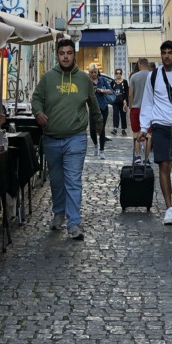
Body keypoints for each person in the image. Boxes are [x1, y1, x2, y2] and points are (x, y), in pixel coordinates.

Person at [31, 37, 100, 241]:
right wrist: (38, 112)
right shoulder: (48, 78)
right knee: (57, 180)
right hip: (51, 138)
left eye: (69, 53)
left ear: (74, 55)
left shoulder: (84, 79)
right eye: (62, 53)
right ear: (57, 55)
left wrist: (98, 122)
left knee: (73, 180)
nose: (66, 57)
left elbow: (93, 103)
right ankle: (59, 213)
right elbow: (36, 98)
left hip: (76, 137)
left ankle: (73, 223)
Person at [135, 41, 172, 226]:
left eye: (170, 52)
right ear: (161, 55)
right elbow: (148, 102)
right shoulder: (153, 76)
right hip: (161, 126)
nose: (167, 56)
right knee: (164, 166)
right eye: (164, 52)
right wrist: (144, 128)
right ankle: (169, 208)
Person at [87, 65, 113, 155]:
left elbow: (111, 91)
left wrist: (100, 90)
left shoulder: (102, 80)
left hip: (103, 107)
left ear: (97, 72)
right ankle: (95, 144)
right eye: (92, 72)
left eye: (95, 72)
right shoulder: (87, 82)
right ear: (89, 73)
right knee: (92, 130)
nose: (94, 74)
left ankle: (102, 150)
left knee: (101, 129)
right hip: (93, 108)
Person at [128, 58, 151, 144]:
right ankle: (147, 152)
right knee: (148, 134)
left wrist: (130, 105)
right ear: (147, 64)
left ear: (139, 64)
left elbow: (130, 94)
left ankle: (137, 152)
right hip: (149, 108)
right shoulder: (152, 75)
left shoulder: (134, 76)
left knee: (136, 132)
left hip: (136, 107)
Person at [110, 68, 129, 136]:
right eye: (117, 73)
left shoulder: (125, 82)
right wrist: (111, 100)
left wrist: (126, 102)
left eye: (120, 73)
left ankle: (123, 129)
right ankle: (115, 128)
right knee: (115, 114)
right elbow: (111, 91)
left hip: (123, 101)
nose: (118, 75)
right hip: (115, 101)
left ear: (121, 74)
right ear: (115, 74)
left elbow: (126, 92)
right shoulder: (113, 82)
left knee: (123, 115)